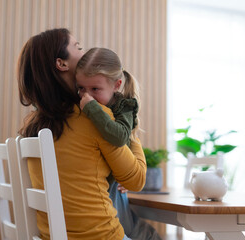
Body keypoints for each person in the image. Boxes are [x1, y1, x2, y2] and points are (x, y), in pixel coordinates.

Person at [17, 28, 146, 240]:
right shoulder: (93, 117)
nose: (83, 52)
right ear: (62, 63)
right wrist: (130, 129)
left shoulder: (34, 124)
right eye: (78, 47)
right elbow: (137, 180)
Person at [75, 47, 162, 240]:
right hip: (99, 191)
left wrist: (92, 108)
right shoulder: (79, 104)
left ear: (117, 85)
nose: (85, 96)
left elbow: (121, 136)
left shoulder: (123, 107)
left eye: (95, 89)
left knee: (148, 234)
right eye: (81, 88)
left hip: (115, 186)